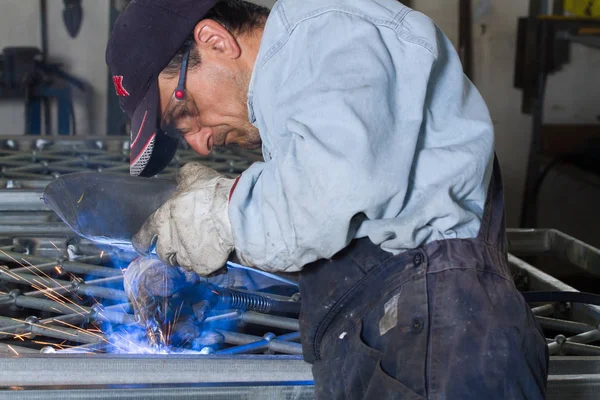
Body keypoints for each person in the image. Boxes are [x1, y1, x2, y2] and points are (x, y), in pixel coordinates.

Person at [106, 0, 549, 398]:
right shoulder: (298, 88)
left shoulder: (330, 33)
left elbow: (325, 193)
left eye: (184, 113)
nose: (200, 144)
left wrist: (219, 215)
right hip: (407, 335)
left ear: (215, 40)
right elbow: (340, 224)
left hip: (445, 340)